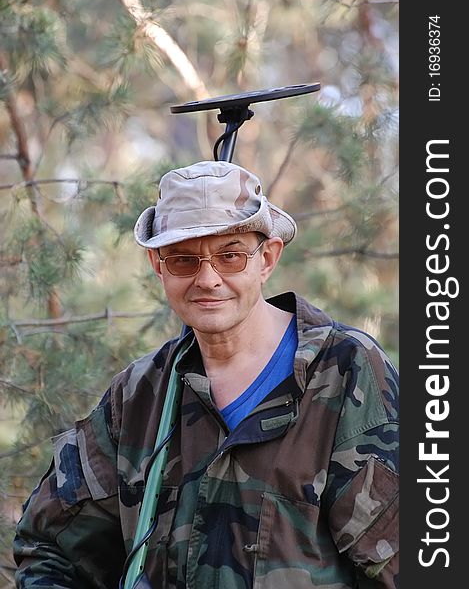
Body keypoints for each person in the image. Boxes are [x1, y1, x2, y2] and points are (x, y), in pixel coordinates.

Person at [13, 160, 399, 588]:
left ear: (267, 258)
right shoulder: (138, 396)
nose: (208, 279)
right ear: (157, 265)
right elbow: (49, 549)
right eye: (183, 260)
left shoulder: (345, 373)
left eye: (230, 255)